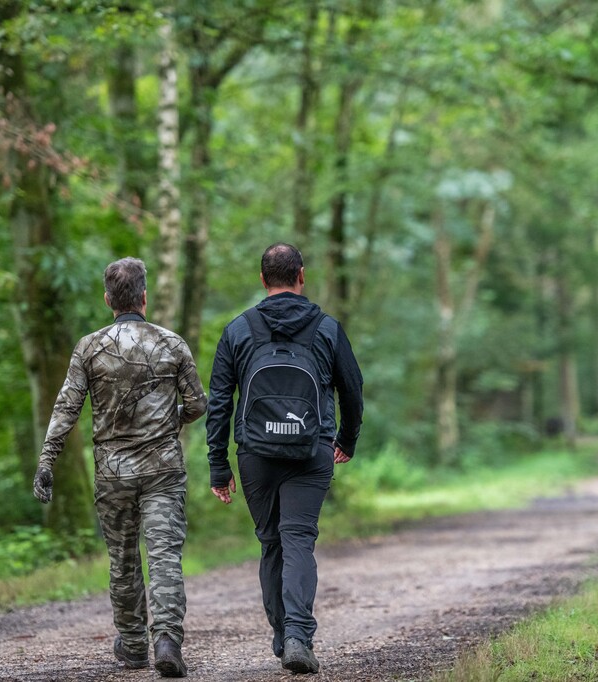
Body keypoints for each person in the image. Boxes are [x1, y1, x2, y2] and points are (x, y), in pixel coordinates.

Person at [32, 257, 207, 678]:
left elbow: (66, 408)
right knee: (164, 553)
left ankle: (132, 646)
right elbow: (199, 404)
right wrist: (173, 419)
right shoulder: (171, 344)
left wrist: (46, 461)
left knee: (123, 559)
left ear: (108, 299)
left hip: (113, 474)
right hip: (163, 469)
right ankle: (166, 639)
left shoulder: (89, 347)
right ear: (144, 297)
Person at [206, 242, 364, 674]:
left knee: (271, 542)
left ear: (262, 279)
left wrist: (218, 465)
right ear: (302, 276)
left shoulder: (238, 329)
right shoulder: (328, 329)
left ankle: (283, 635)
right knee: (298, 539)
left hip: (255, 452)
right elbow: (352, 389)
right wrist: (346, 440)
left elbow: (219, 401)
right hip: (312, 449)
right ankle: (298, 636)